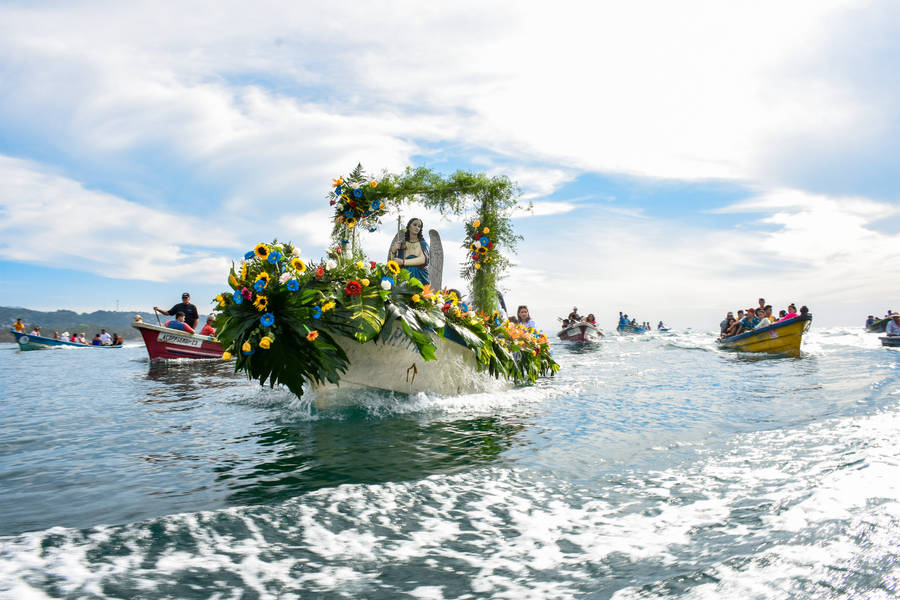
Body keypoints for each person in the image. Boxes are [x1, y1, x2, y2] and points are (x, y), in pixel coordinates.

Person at [389, 218, 429, 284]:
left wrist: (403, 262)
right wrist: (393, 251)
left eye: (419, 226)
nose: (417, 228)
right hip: (404, 277)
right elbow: (395, 264)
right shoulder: (403, 244)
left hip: (419, 277)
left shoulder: (423, 244)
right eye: (415, 225)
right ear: (409, 227)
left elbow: (423, 259)